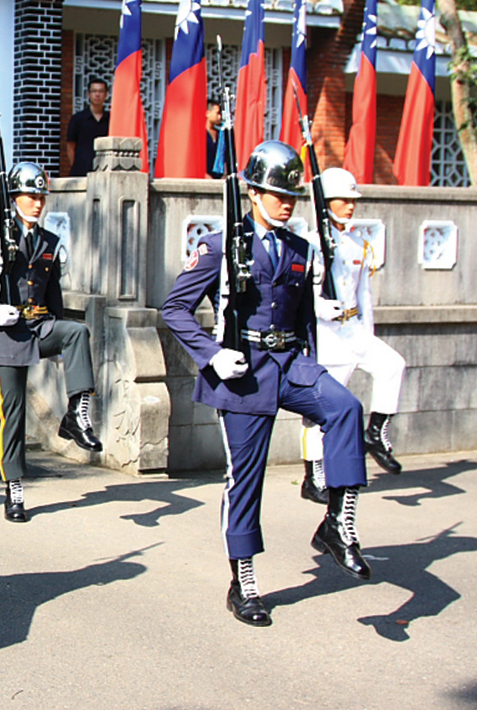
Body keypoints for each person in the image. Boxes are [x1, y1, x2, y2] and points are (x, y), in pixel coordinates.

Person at [162, 141, 371, 628]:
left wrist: (312, 366)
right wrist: (213, 356)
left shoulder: (301, 249)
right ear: (252, 192)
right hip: (243, 373)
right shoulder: (219, 246)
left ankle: (338, 525)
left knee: (345, 408)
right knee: (246, 482)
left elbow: (304, 322)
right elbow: (175, 310)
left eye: (291, 196)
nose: (285, 203)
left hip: (290, 362)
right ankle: (245, 581)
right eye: (276, 193)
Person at [0, 162, 101, 523]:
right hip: (6, 332)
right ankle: (15, 487)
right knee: (15, 413)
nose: (37, 203)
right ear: (14, 197)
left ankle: (76, 415)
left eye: (41, 196)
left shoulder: (50, 242)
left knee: (77, 332)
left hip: (38, 326)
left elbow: (54, 296)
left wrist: (58, 336)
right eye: (30, 196)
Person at [299, 167, 405, 503]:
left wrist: (368, 334)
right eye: (344, 199)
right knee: (321, 410)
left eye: (352, 199)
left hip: (354, 329)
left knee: (392, 365)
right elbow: (300, 295)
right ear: (326, 201)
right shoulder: (310, 245)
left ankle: (375, 433)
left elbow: (365, 296)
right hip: (328, 337)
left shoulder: (359, 243)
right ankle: (313, 475)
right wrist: (318, 308)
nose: (350, 206)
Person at [65, 78, 110, 177]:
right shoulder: (78, 119)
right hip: (81, 171)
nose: (97, 94)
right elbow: (70, 146)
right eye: (94, 91)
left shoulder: (111, 120)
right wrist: (76, 165)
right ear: (89, 94)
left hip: (104, 171)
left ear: (106, 95)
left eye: (101, 91)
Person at [205, 99, 224, 179]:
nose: (219, 116)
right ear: (208, 113)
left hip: (219, 176)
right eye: (217, 113)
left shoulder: (220, 134)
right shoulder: (202, 134)